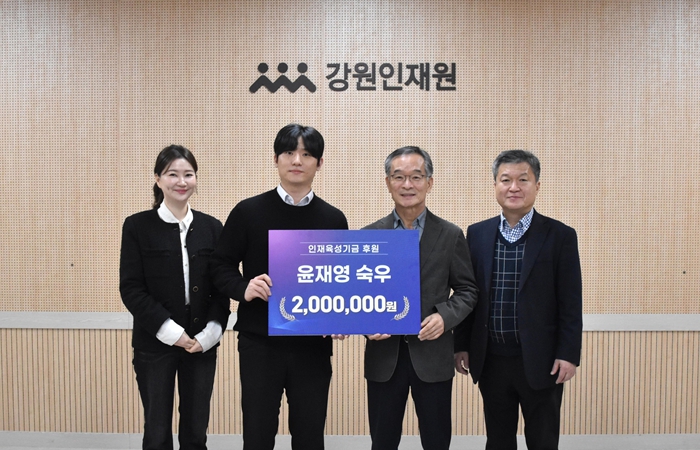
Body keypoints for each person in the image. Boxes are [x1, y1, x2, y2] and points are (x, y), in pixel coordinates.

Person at [210, 124, 348, 450]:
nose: (297, 160)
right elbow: (219, 266)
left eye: (307, 154)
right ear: (276, 159)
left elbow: (341, 280)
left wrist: (342, 316)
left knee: (310, 436)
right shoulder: (248, 212)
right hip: (260, 343)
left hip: (313, 346)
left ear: (320, 163)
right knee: (258, 435)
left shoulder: (333, 219)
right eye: (289, 152)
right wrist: (243, 287)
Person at [454, 149, 583, 450]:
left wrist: (568, 353)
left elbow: (570, 301)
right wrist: (461, 344)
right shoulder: (477, 234)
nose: (514, 187)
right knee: (498, 439)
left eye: (523, 180)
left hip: (542, 360)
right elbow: (468, 293)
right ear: (495, 185)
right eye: (506, 180)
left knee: (543, 439)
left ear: (537, 185)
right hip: (491, 359)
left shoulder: (560, 235)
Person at [363, 146, 479, 450]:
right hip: (384, 358)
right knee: (382, 442)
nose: (407, 185)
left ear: (429, 182)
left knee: (437, 440)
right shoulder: (369, 235)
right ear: (388, 182)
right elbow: (359, 296)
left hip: (433, 356)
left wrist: (444, 317)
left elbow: (468, 290)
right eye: (398, 177)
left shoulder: (450, 234)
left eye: (416, 176)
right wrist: (366, 324)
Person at [119, 145, 231, 450]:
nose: (181, 182)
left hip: (201, 344)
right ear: (158, 179)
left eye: (188, 174)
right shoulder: (137, 226)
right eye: (172, 174)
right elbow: (131, 288)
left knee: (196, 433)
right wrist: (171, 332)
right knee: (156, 433)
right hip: (154, 344)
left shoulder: (212, 227)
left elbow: (222, 288)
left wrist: (211, 333)